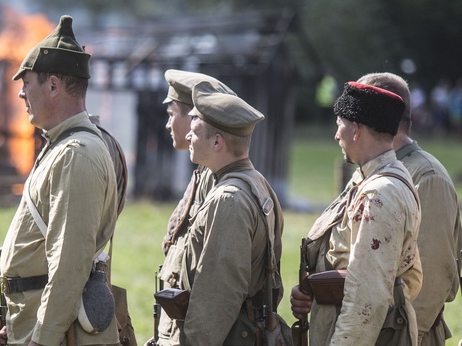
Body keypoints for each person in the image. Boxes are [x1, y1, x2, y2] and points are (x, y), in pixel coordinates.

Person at [0, 16, 120, 346]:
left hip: (60, 334)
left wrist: (43, 338)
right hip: (38, 319)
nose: (20, 94)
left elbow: (69, 263)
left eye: (27, 83)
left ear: (53, 86)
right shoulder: (62, 146)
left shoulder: (76, 153)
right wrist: (10, 313)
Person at [290, 81, 422, 345]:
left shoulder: (380, 194)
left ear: (356, 129)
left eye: (339, 124)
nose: (336, 135)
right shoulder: (371, 180)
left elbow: (367, 300)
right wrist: (317, 291)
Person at [158, 80, 284, 345]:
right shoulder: (255, 182)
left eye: (195, 130)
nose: (188, 136)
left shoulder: (229, 200)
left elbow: (216, 299)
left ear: (217, 141)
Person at [357, 72, 462, 346]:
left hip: (405, 337)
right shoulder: (371, 171)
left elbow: (431, 280)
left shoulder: (427, 178)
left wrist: (401, 341)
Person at [152, 70, 237, 345]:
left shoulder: (221, 186)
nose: (168, 125)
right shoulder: (203, 174)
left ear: (193, 120)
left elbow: (216, 289)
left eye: (171, 113)